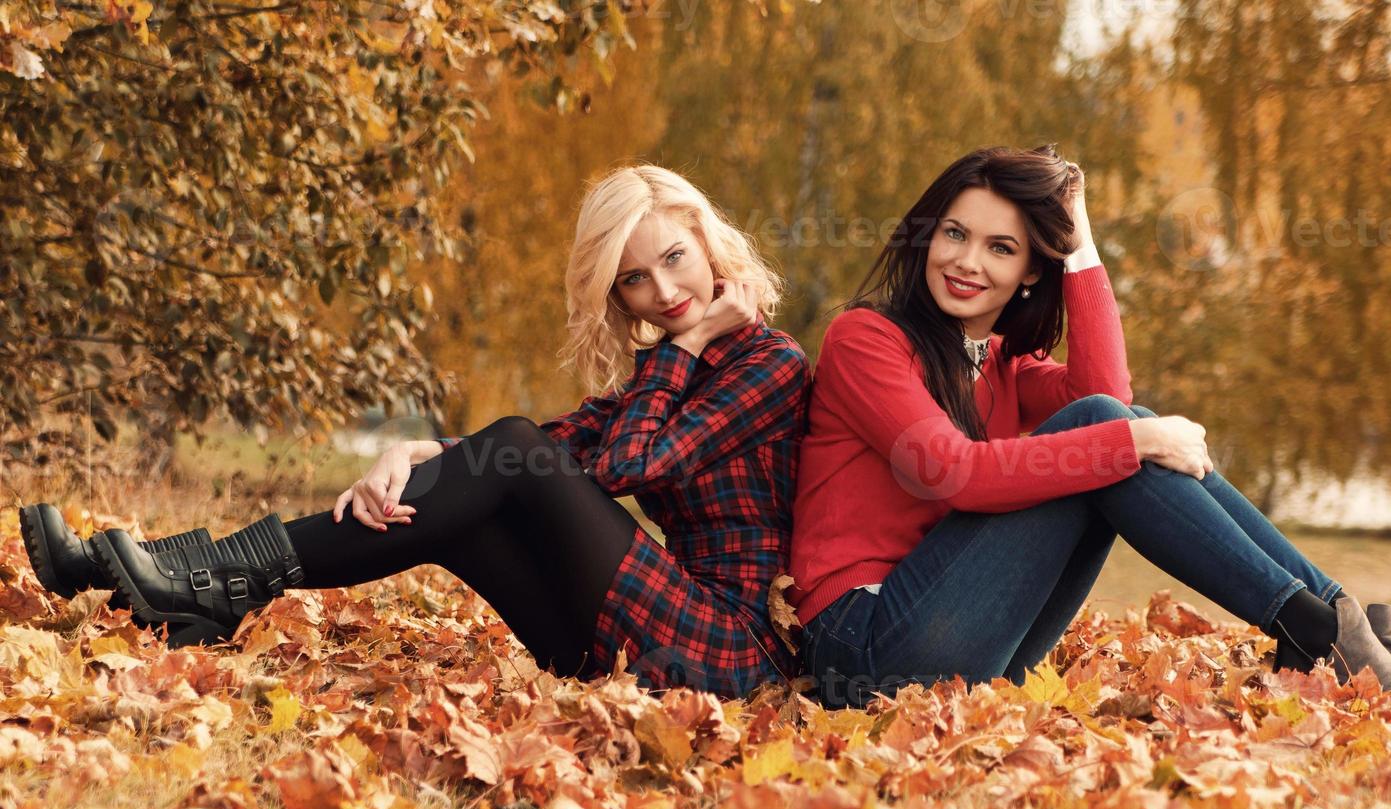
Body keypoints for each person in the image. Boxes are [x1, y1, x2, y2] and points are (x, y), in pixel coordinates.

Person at [21, 165, 812, 699]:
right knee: (463, 517)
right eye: (633, 278)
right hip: (649, 643)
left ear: (710, 242)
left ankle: (201, 582)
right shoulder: (671, 367)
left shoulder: (767, 364)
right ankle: (164, 576)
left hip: (729, 656)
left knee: (508, 456)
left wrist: (685, 347)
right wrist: (417, 453)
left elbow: (626, 467)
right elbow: (540, 449)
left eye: (674, 258)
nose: (662, 290)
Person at [785, 144, 1391, 710]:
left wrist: (1080, 242)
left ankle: (1330, 616)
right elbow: (954, 473)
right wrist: (1135, 438)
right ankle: (1319, 627)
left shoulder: (1002, 363)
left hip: (961, 635)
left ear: (1031, 270)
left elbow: (1106, 397)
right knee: (1113, 436)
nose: (967, 261)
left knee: (1111, 432)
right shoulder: (867, 339)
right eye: (954, 234)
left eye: (1000, 247)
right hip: (865, 646)